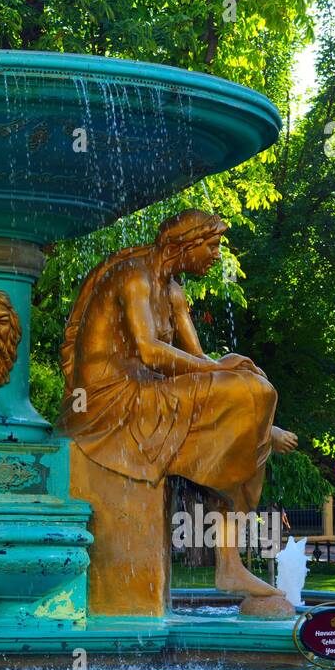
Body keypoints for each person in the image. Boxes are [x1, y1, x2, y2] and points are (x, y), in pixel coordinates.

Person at [58, 209, 298, 608]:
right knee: (247, 395)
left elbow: (199, 362)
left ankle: (229, 563)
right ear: (183, 244)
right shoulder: (133, 277)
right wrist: (221, 375)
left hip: (149, 388)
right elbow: (151, 351)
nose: (217, 255)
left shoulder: (173, 290)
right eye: (213, 245)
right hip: (109, 399)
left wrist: (228, 376)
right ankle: (229, 559)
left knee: (250, 387)